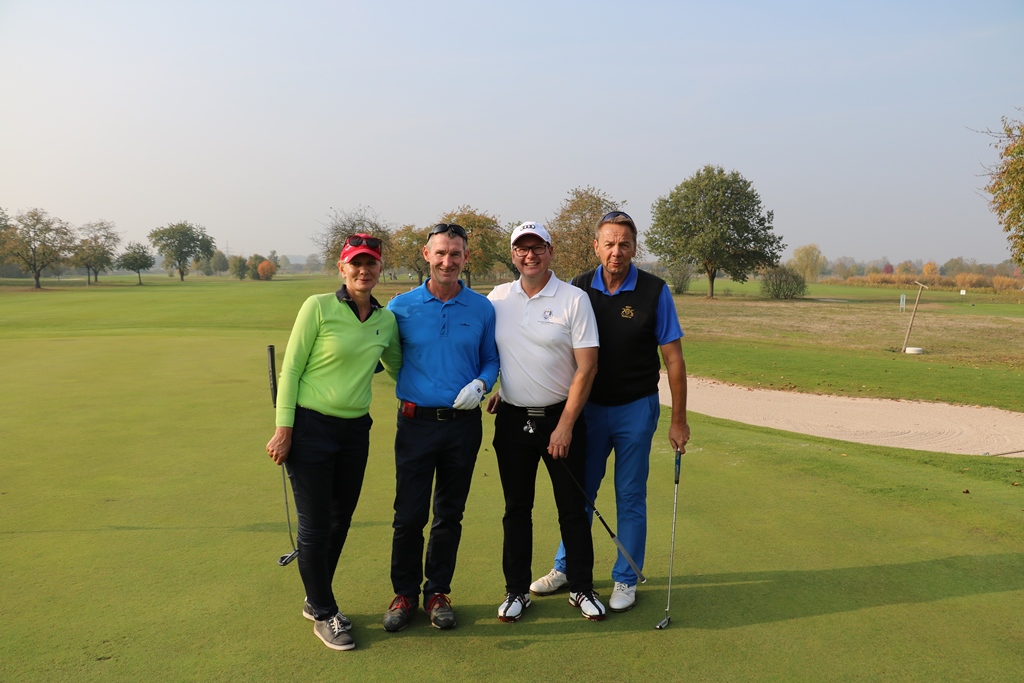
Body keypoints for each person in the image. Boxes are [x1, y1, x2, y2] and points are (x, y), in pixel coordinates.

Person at [530, 210, 690, 613]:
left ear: (634, 248)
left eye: (624, 244)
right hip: (589, 409)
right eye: (609, 244)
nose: (616, 251)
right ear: (596, 247)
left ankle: (625, 577)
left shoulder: (655, 291)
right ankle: (567, 566)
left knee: (630, 494)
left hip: (636, 407)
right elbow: (554, 348)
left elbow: (673, 360)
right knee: (580, 491)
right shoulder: (579, 287)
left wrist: (678, 420)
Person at [265, 234, 402, 651]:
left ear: (380, 269)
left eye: (371, 263)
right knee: (315, 523)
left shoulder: (385, 321)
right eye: (355, 263)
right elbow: (291, 370)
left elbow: (399, 366)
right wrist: (284, 429)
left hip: (355, 431)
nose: (364, 270)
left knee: (341, 519)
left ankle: (315, 598)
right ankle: (325, 612)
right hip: (309, 428)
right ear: (342, 268)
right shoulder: (318, 307)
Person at [485, 221, 606, 623]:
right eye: (522, 248)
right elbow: (497, 353)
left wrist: (566, 424)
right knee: (516, 509)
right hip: (512, 420)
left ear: (550, 251)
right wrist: (503, 387)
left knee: (572, 509)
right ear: (513, 255)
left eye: (537, 247)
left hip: (561, 418)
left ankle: (581, 587)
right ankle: (516, 591)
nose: (530, 255)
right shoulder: (498, 298)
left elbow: (587, 367)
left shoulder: (573, 299)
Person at [382, 223, 500, 631]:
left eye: (455, 254)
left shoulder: (482, 308)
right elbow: (388, 357)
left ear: (466, 257)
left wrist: (482, 384)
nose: (447, 261)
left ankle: (437, 592)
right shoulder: (401, 307)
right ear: (426, 254)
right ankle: (404, 593)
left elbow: (491, 359)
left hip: (462, 426)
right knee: (408, 515)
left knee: (449, 514)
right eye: (440, 253)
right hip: (415, 424)